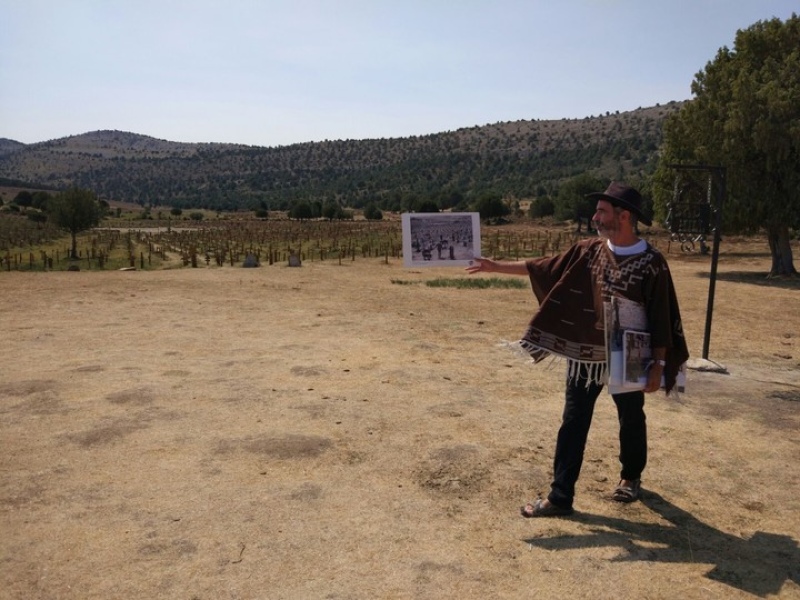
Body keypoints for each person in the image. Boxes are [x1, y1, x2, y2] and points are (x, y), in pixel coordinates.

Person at [466, 182, 689, 517]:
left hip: (628, 355)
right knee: (573, 421)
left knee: (631, 417)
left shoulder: (651, 262)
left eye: (602, 211)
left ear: (624, 216)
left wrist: (657, 363)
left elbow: (661, 314)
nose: (595, 216)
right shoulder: (588, 250)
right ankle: (560, 497)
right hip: (586, 356)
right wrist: (494, 266)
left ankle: (630, 476)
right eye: (597, 210)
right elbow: (542, 266)